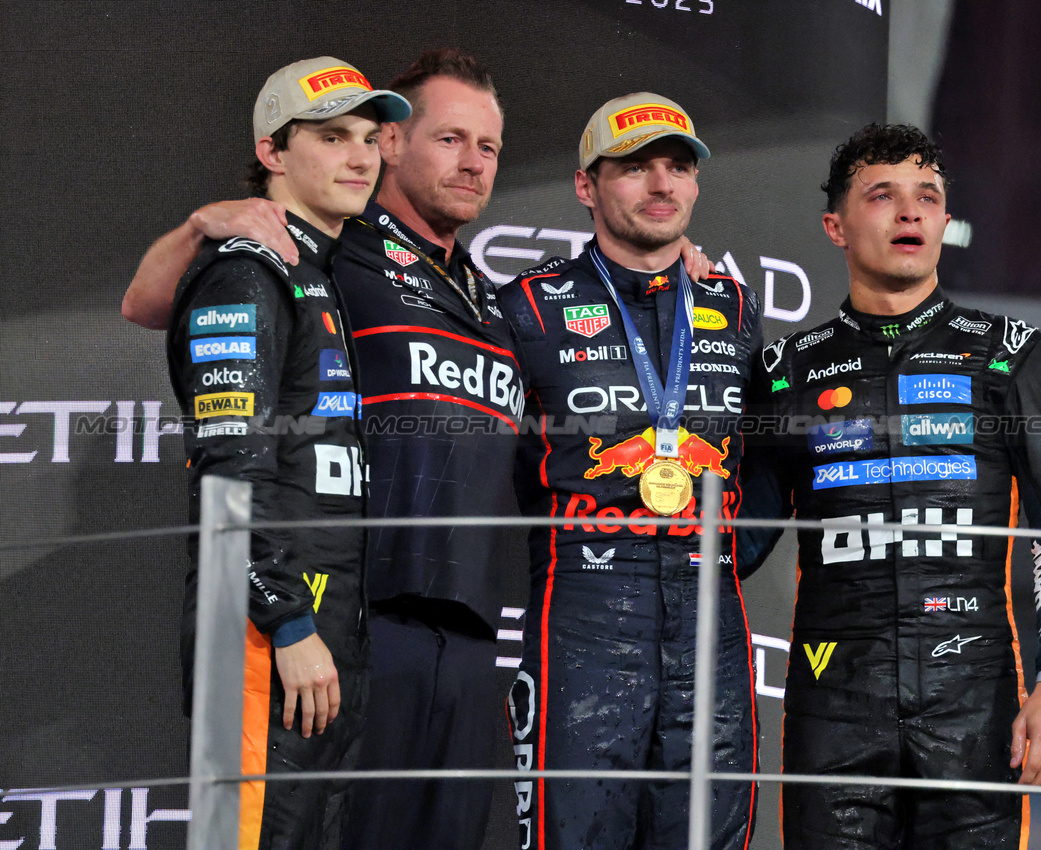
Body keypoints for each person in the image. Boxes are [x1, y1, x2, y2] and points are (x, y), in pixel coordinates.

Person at [124, 51, 712, 850]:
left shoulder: (487, 293)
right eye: (449, 139)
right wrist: (204, 224)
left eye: (489, 147)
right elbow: (151, 304)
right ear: (396, 147)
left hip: (471, 632)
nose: (472, 163)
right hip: (365, 617)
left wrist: (676, 285)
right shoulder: (335, 246)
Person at [742, 123, 1041, 849]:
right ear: (834, 226)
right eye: (883, 195)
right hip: (831, 708)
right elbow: (742, 543)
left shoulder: (1011, 353)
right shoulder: (785, 369)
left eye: (926, 196)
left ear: (941, 220)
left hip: (973, 710)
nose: (909, 212)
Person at [497, 93, 761, 850]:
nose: (660, 184)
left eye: (676, 167)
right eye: (635, 167)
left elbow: (765, 467)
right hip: (583, 604)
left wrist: (714, 551)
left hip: (709, 613)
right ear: (587, 186)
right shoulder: (526, 306)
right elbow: (499, 461)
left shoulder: (734, 308)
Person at [165, 56, 410, 848]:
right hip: (267, 627)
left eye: (369, 138)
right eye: (331, 136)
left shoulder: (319, 266)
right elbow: (229, 473)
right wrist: (289, 623)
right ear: (272, 152)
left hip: (320, 620)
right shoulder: (247, 272)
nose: (360, 157)